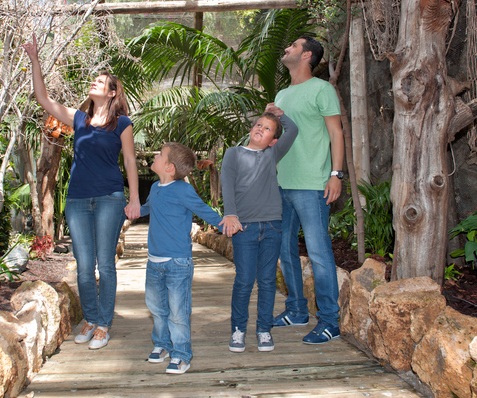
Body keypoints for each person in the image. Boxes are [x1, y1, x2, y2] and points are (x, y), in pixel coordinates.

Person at [23, 34, 140, 350]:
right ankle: (90, 318)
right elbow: (44, 100)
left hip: (109, 198)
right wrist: (35, 59)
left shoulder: (122, 123)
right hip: (77, 199)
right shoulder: (79, 119)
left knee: (106, 262)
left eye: (100, 81)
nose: (94, 83)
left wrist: (134, 198)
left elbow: (129, 160)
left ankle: (104, 324)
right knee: (84, 264)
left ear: (112, 92)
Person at [272, 35, 345, 344]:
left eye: (293, 45)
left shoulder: (322, 89)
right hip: (280, 184)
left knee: (318, 253)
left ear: (306, 56)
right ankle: (297, 310)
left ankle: (329, 321)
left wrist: (336, 174)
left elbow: (336, 133)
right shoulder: (282, 94)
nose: (286, 47)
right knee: (284, 249)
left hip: (313, 185)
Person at [139, 143, 228, 374]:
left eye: (159, 154)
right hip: (154, 261)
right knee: (156, 308)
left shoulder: (183, 190)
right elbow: (148, 208)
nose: (155, 155)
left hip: (178, 262)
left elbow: (203, 209)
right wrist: (131, 210)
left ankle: (181, 354)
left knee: (178, 312)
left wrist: (225, 223)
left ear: (169, 167)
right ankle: (162, 344)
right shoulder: (155, 187)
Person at [220, 107, 298, 353]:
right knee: (244, 280)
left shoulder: (272, 154)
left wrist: (280, 114)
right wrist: (230, 213)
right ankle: (238, 329)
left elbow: (293, 130)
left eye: (267, 129)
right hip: (245, 227)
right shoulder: (233, 153)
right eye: (258, 125)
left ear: (273, 140)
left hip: (273, 225)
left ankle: (264, 329)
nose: (260, 129)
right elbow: (227, 183)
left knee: (266, 281)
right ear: (251, 130)